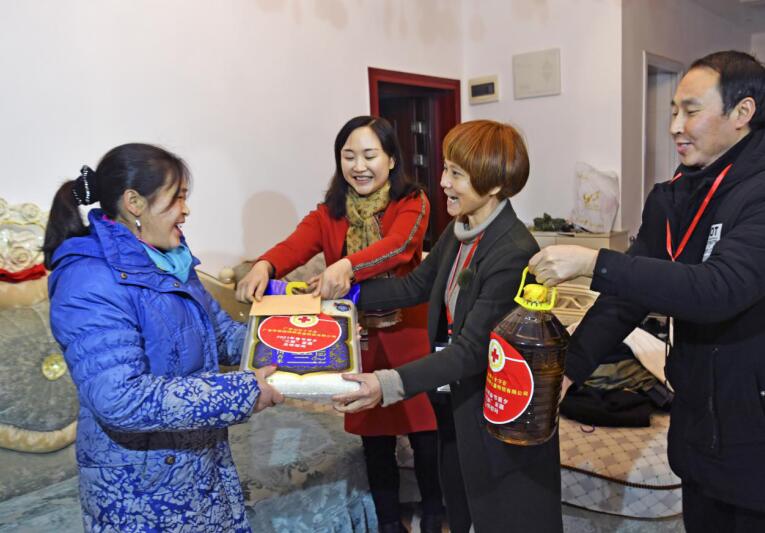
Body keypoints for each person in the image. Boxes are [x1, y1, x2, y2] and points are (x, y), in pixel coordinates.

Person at [529, 50, 765, 532]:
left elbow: (718, 289)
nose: (676, 126)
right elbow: (626, 299)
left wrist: (594, 262)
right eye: (673, 111)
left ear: (742, 112)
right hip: (697, 428)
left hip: (753, 432)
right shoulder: (673, 195)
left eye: (691, 111)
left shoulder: (758, 192)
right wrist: (568, 371)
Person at [332, 120, 563, 533]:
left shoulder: (512, 252)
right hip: (458, 404)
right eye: (445, 169)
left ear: (494, 184)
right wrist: (340, 297)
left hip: (497, 417)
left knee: (503, 517)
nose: (442, 182)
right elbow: (415, 286)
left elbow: (471, 351)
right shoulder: (462, 231)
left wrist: (385, 384)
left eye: (456, 173)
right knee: (460, 509)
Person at [43, 143, 283, 533]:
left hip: (201, 463)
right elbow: (120, 397)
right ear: (134, 203)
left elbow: (221, 336)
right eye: (176, 199)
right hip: (141, 490)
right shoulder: (88, 279)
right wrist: (241, 392)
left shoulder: (169, 261)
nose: (186, 211)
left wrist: (308, 344)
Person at [235, 116, 443, 533]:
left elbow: (400, 247)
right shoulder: (329, 213)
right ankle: (389, 523)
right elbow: (294, 245)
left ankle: (436, 516)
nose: (358, 166)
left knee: (425, 434)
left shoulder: (412, 201)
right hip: (357, 340)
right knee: (375, 439)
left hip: (408, 335)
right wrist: (264, 265)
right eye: (349, 156)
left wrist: (347, 265)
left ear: (391, 159)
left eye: (369, 155)